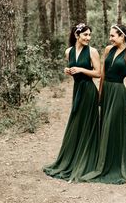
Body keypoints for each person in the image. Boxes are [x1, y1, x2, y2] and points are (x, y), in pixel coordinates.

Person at [43, 23, 101, 182]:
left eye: (89, 35)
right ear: (77, 35)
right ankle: (73, 158)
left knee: (88, 123)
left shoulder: (93, 52)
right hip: (77, 91)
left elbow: (99, 73)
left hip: (89, 90)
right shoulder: (68, 52)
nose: (88, 38)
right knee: (76, 122)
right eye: (85, 35)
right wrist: (67, 71)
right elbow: (71, 68)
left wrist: (81, 70)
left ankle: (88, 159)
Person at [81, 24, 126, 184]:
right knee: (105, 125)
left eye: (113, 36)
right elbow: (103, 74)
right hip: (107, 92)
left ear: (122, 36)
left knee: (114, 126)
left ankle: (117, 164)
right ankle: (104, 161)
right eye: (110, 35)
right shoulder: (107, 50)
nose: (110, 38)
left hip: (119, 93)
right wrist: (100, 93)